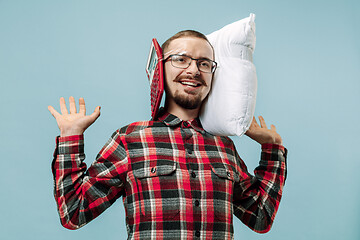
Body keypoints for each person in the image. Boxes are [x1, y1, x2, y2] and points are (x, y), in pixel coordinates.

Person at [48, 30, 287, 240]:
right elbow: (74, 213)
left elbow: (260, 218)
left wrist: (272, 149)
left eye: (204, 63)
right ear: (160, 68)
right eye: (181, 59)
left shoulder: (223, 146)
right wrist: (71, 136)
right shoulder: (130, 139)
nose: (193, 70)